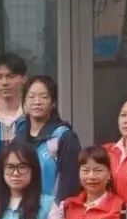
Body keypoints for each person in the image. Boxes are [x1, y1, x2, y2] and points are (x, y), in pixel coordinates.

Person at [14, 75, 81, 203]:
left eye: (44, 97)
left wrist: (57, 210)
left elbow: (70, 185)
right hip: (21, 210)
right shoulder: (18, 138)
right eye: (31, 97)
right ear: (24, 102)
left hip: (52, 211)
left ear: (53, 102)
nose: (37, 102)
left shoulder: (64, 137)